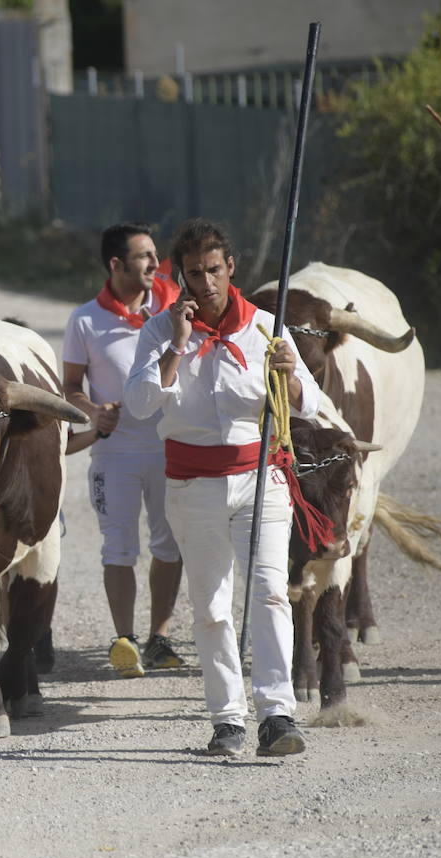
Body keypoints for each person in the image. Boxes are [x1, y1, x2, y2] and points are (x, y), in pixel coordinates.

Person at [124, 218, 318, 758]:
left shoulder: (265, 327)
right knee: (211, 606)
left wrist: (291, 375)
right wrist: (178, 348)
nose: (205, 281)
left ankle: (277, 714)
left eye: (214, 269)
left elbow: (313, 405)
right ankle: (228, 720)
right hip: (192, 485)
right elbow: (139, 404)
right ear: (180, 277)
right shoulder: (161, 330)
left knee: (271, 592)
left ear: (230, 268)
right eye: (193, 273)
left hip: (261, 479)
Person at [63, 223, 185, 678]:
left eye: (156, 255)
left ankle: (160, 638)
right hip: (114, 452)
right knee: (118, 547)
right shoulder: (85, 320)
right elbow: (70, 387)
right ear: (116, 265)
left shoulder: (173, 310)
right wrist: (95, 412)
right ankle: (124, 640)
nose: (156, 264)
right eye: (144, 256)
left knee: (168, 544)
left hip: (170, 447)